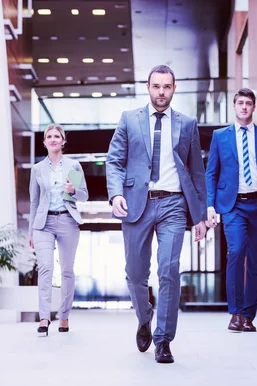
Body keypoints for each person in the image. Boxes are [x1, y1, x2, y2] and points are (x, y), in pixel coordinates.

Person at [106, 65, 207, 363]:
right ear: (147, 87)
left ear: (174, 89)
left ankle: (163, 339)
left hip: (174, 205)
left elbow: (197, 173)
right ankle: (144, 317)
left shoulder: (187, 124)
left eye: (167, 86)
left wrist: (200, 215)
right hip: (137, 203)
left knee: (169, 269)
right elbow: (114, 161)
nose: (161, 92)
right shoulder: (129, 120)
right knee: (136, 274)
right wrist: (115, 194)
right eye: (156, 86)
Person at [205, 88, 257, 332]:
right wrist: (210, 206)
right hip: (232, 205)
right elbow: (211, 173)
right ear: (234, 106)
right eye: (240, 103)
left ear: (254, 107)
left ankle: (249, 316)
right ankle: (235, 313)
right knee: (236, 252)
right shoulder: (220, 136)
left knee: (255, 262)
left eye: (248, 103)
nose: (244, 107)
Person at [28, 124, 88, 336]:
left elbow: (84, 196)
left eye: (57, 136)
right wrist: (30, 232)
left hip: (68, 222)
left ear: (63, 141)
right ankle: (44, 318)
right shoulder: (37, 169)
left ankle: (64, 316)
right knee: (45, 269)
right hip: (43, 225)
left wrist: (73, 190)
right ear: (44, 142)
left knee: (67, 271)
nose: (53, 139)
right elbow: (34, 203)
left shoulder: (74, 166)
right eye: (49, 136)